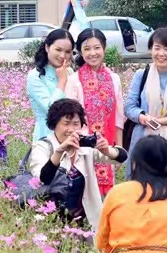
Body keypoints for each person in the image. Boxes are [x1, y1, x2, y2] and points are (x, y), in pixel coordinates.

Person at [26, 98, 126, 229]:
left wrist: (107, 150)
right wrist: (60, 151)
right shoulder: (43, 146)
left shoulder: (85, 146)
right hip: (52, 216)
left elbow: (121, 156)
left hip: (85, 216)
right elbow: (43, 178)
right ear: (54, 125)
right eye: (66, 123)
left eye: (76, 124)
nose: (71, 129)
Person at [123, 27, 167, 180]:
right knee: (139, 184)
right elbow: (130, 107)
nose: (161, 54)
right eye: (157, 48)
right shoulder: (141, 75)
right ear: (151, 49)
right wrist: (143, 117)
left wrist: (160, 121)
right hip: (142, 138)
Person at [64, 27, 123, 197]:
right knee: (85, 193)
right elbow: (70, 120)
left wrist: (118, 148)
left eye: (97, 47)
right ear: (80, 52)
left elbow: (119, 116)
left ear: (104, 48)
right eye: (87, 49)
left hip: (107, 147)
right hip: (83, 148)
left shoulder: (114, 79)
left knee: (107, 197)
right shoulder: (74, 80)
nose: (92, 53)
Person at [26, 28, 74, 142]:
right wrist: (62, 81)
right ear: (47, 47)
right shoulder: (36, 76)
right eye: (58, 50)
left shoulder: (70, 72)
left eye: (68, 52)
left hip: (69, 136)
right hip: (46, 135)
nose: (63, 55)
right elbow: (52, 110)